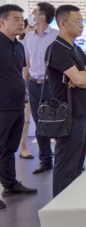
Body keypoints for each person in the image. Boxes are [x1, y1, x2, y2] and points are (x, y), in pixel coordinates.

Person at [46, 5, 86, 197]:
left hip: (81, 110)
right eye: (77, 21)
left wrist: (84, 76)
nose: (81, 25)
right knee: (66, 162)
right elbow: (79, 80)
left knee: (77, 161)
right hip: (68, 112)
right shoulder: (57, 49)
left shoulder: (75, 48)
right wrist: (82, 77)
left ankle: (71, 200)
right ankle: (60, 202)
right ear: (63, 24)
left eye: (82, 21)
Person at [0, 4, 37, 210]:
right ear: (2, 21)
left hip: (16, 103)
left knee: (10, 148)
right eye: (15, 19)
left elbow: (18, 73)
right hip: (1, 106)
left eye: (21, 19)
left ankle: (10, 184)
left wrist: (23, 92)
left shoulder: (19, 46)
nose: (21, 23)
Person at [22, 2, 58, 173]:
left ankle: (65, 159)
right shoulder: (28, 37)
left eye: (34, 11)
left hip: (53, 85)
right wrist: (24, 88)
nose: (31, 14)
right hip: (34, 84)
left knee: (59, 121)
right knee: (40, 123)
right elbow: (26, 65)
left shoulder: (57, 36)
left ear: (42, 17)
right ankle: (45, 160)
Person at [18, 20, 34, 160]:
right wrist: (24, 88)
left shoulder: (41, 44)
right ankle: (23, 147)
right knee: (26, 119)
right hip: (25, 84)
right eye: (30, 27)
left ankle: (45, 148)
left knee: (44, 118)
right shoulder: (21, 45)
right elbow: (24, 68)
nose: (33, 29)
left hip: (40, 84)